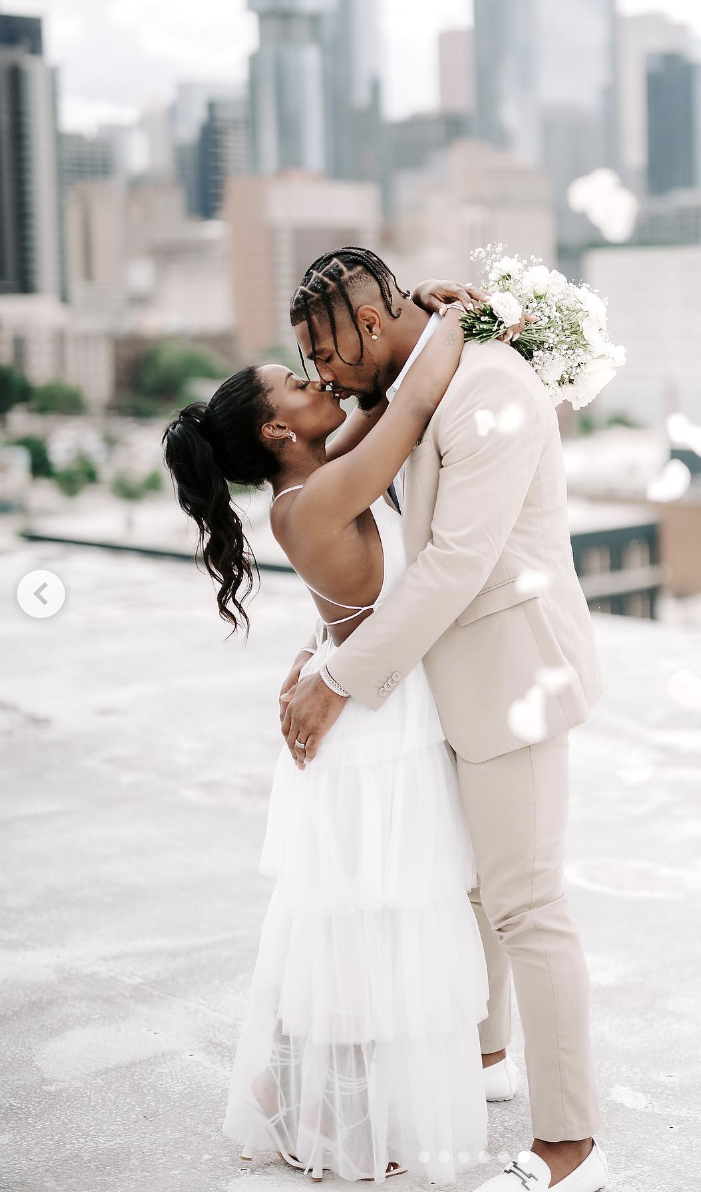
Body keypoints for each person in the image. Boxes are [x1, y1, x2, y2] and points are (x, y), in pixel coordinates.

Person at [162, 276, 510, 1184]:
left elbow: (386, 395)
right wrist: (454, 314)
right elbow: (417, 397)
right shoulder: (316, 495)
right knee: (364, 932)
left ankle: (299, 1087)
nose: (321, 381)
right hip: (373, 742)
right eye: (298, 381)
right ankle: (314, 1103)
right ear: (278, 431)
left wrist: (415, 310)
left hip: (378, 719)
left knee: (359, 927)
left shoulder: (317, 472)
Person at [280, 248, 608, 1192]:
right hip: (452, 684)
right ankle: (486, 1059)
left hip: (516, 678)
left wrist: (340, 679)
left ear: (373, 328)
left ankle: (570, 1144)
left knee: (528, 906)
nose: (322, 376)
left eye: (325, 351)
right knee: (474, 891)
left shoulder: (490, 390)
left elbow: (454, 566)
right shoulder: (422, 376)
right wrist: (320, 649)